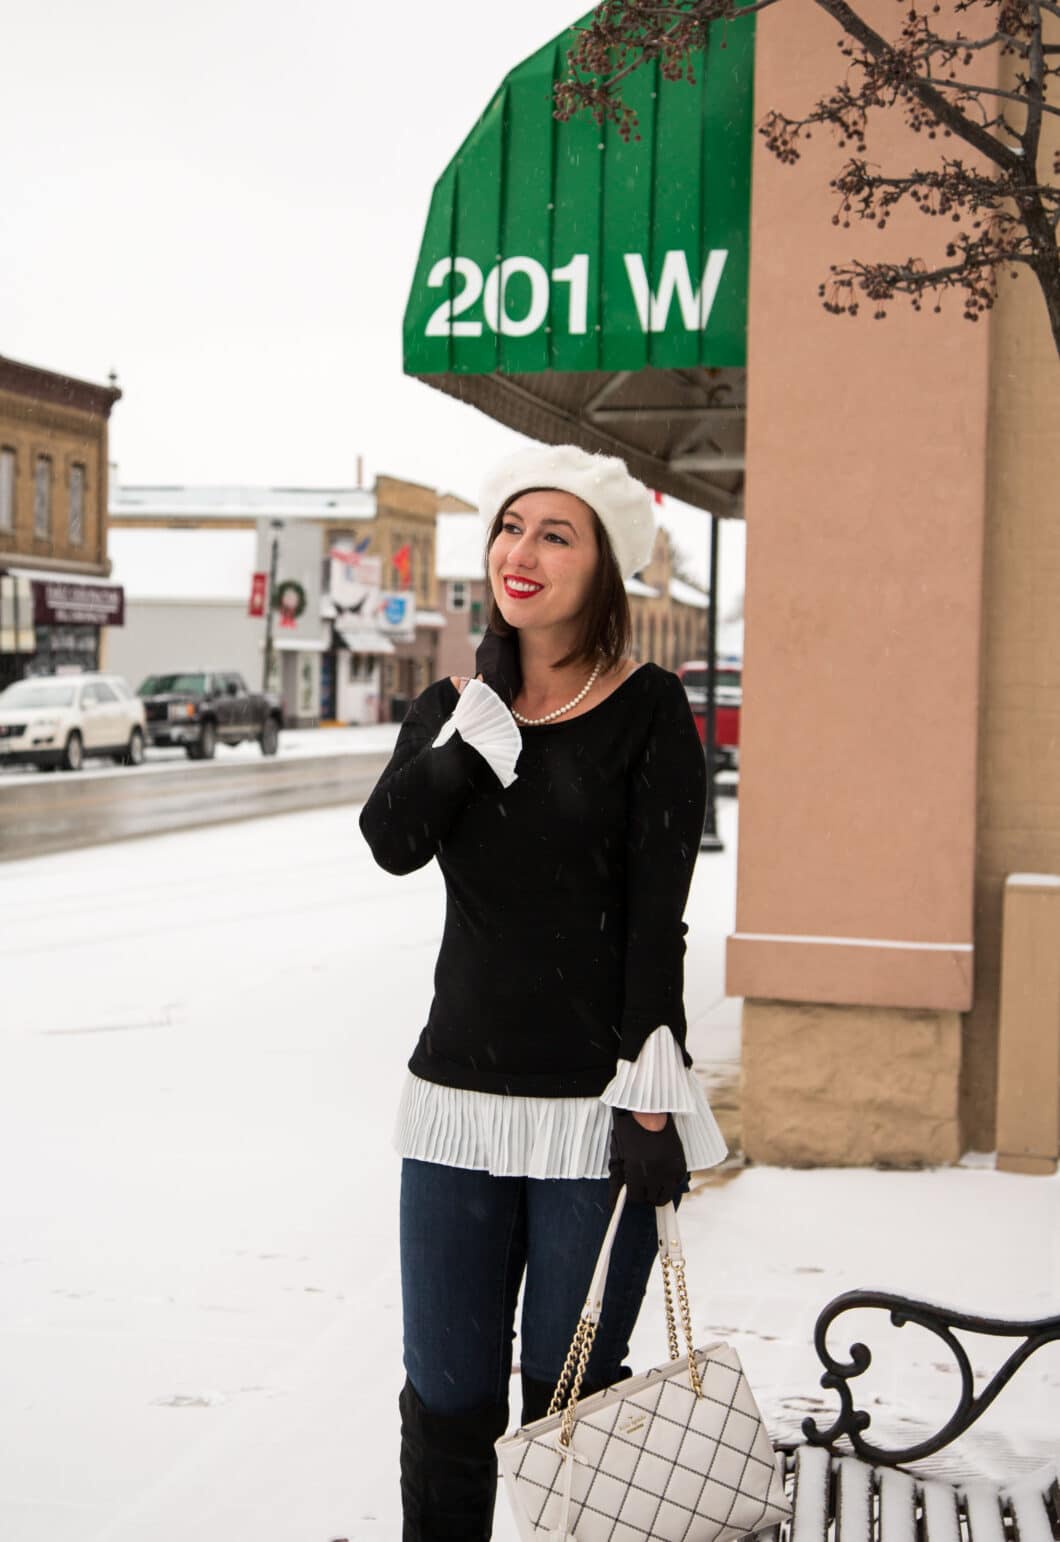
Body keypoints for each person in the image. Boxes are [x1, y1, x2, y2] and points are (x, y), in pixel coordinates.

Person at [358, 443, 727, 1541]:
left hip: (592, 1113)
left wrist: (650, 1102)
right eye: (508, 527)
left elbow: (656, 920)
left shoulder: (651, 713)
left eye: (553, 533)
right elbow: (391, 840)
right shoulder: (449, 709)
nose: (520, 552)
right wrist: (478, 737)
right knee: (448, 1396)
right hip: (455, 1106)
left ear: (604, 566)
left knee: (571, 1403)